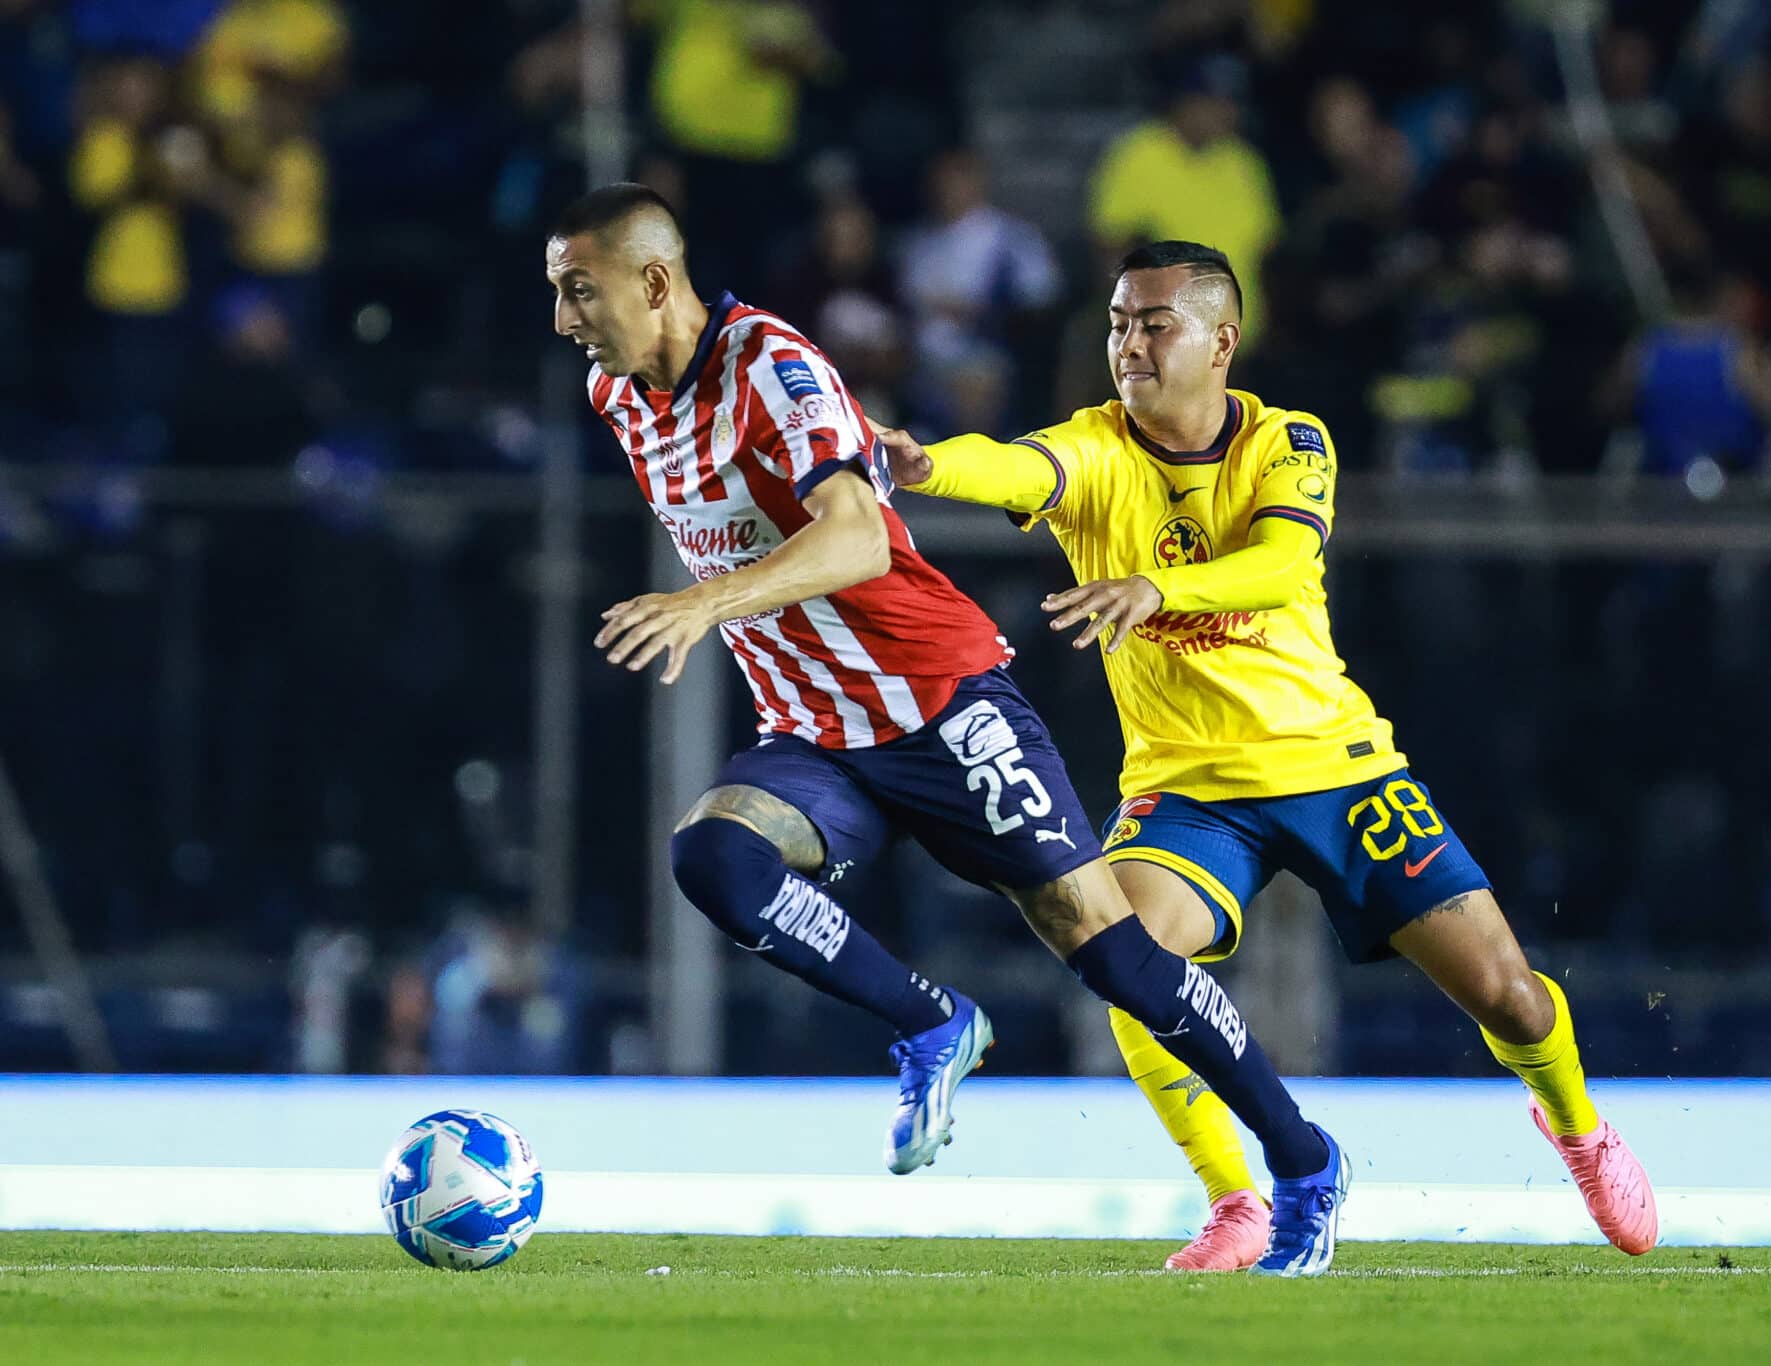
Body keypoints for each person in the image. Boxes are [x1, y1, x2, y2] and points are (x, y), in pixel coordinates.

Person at [544, 187, 1350, 1276]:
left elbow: (860, 540)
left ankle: (1302, 1158)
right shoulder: (618, 392)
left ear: (653, 281)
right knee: (714, 858)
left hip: (938, 701)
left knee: (1116, 955)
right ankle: (931, 1021)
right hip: (817, 730)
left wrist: (701, 603)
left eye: (578, 290)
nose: (564, 319)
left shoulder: (771, 369)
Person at [879, 240, 1658, 1271]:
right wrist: (929, 466)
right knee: (1125, 956)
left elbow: (1283, 560)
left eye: (1155, 324)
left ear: (1221, 342)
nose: (1129, 344)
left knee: (1506, 994)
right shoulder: (1096, 448)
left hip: (1336, 769)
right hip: (1189, 789)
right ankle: (1234, 1198)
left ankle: (1577, 1128)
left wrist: (1157, 588)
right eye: (1117, 323)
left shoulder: (1288, 440)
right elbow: (1017, 464)